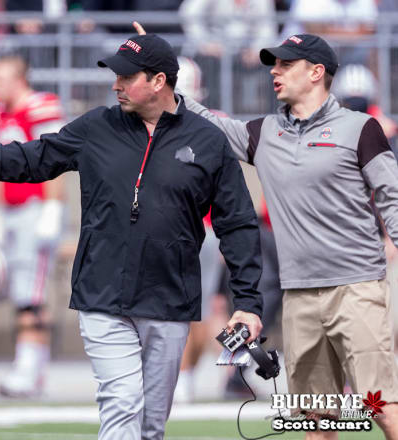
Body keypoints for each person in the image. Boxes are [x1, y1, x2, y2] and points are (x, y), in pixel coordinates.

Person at [0, 33, 264, 439]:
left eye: (126, 76)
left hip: (168, 298)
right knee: (122, 404)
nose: (115, 84)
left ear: (158, 81)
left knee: (152, 423)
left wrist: (249, 303)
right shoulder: (96, 126)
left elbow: (237, 224)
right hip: (102, 296)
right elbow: (29, 159)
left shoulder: (207, 140)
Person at [135, 22, 398, 438]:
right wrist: (157, 65)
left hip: (357, 288)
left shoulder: (360, 128)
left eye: (286, 64)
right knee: (316, 416)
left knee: (381, 404)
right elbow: (205, 120)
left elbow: (393, 197)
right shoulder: (264, 133)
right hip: (299, 296)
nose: (274, 71)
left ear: (316, 72)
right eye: (273, 65)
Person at [0, 55, 65, 398]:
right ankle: (27, 366)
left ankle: (31, 369)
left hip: (34, 208)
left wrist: (53, 205)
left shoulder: (39, 106)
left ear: (18, 80)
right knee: (17, 290)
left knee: (31, 292)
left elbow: (55, 157)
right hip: (10, 210)